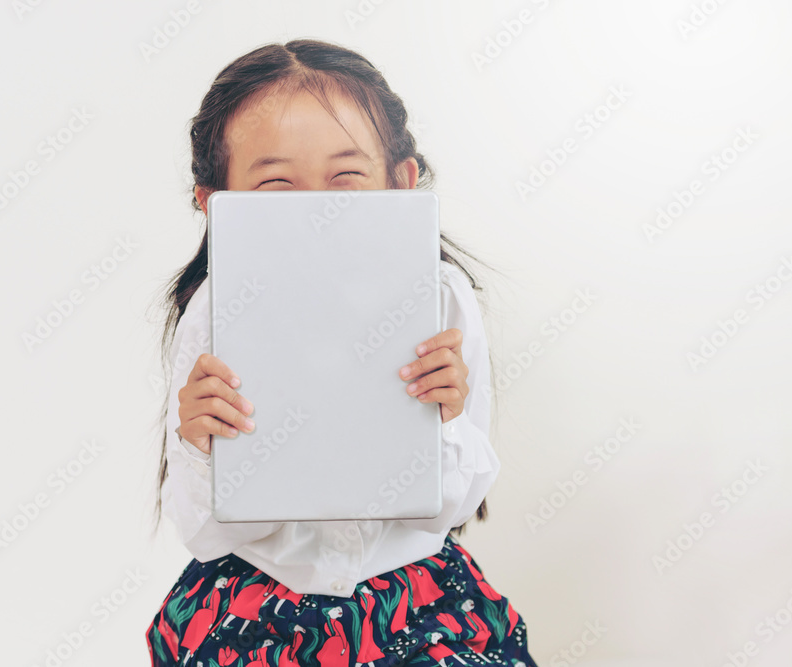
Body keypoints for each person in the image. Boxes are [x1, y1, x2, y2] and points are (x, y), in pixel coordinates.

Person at [146, 39, 538, 666]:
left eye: (345, 176)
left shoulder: (443, 300)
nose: (316, 209)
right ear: (213, 204)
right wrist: (200, 447)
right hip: (253, 607)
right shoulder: (214, 309)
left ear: (400, 181)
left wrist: (447, 419)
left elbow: (452, 506)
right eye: (276, 184)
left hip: (415, 605)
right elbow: (202, 530)